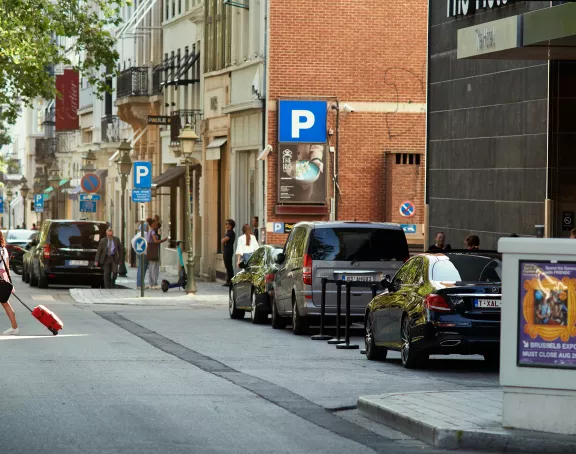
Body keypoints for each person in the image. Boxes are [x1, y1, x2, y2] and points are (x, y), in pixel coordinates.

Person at [0, 231, 19, 335]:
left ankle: (15, 327)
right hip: (4, 279)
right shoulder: (4, 250)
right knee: (6, 304)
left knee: (5, 304)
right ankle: (15, 327)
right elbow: (7, 268)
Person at [147, 219, 168, 289]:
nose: (156, 225)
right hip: (154, 251)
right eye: (155, 224)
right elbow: (155, 241)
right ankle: (154, 283)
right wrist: (163, 240)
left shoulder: (149, 231)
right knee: (154, 267)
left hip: (150, 251)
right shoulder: (152, 232)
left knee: (151, 267)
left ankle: (151, 283)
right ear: (152, 224)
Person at [221, 219, 236, 286]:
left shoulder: (231, 233)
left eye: (227, 224)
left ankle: (231, 281)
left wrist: (223, 240)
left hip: (228, 251)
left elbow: (223, 240)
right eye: (225, 223)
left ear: (230, 225)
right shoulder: (228, 232)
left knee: (229, 266)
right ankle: (229, 280)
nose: (226, 225)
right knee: (227, 266)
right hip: (226, 250)